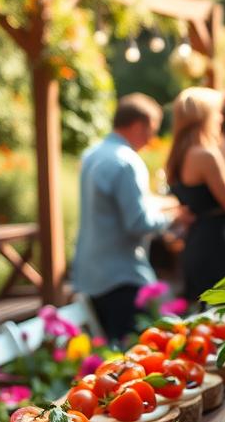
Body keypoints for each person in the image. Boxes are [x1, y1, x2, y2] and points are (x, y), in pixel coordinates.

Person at [72, 94, 185, 344]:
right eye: (151, 130)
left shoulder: (93, 154)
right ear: (137, 125)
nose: (151, 139)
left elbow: (112, 208)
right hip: (121, 276)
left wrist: (159, 204)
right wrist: (174, 216)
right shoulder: (126, 161)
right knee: (138, 354)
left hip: (92, 273)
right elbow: (138, 223)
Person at [166, 87, 225, 303]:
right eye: (217, 112)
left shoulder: (180, 154)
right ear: (204, 117)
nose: (220, 118)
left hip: (199, 239)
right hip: (219, 243)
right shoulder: (205, 155)